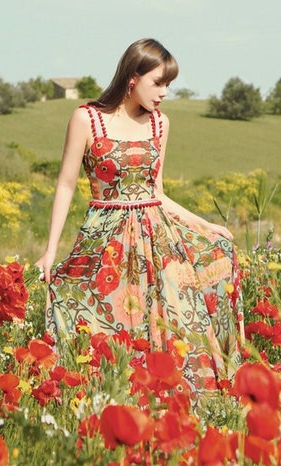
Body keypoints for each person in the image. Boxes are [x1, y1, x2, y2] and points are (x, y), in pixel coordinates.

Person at [35, 38, 244, 392]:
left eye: (168, 85)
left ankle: (182, 399)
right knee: (102, 322)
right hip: (106, 241)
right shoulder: (86, 118)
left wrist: (205, 225)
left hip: (158, 241)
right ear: (133, 76)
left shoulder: (160, 124)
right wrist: (50, 251)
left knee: (174, 318)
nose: (164, 93)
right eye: (158, 83)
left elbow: (156, 193)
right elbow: (67, 184)